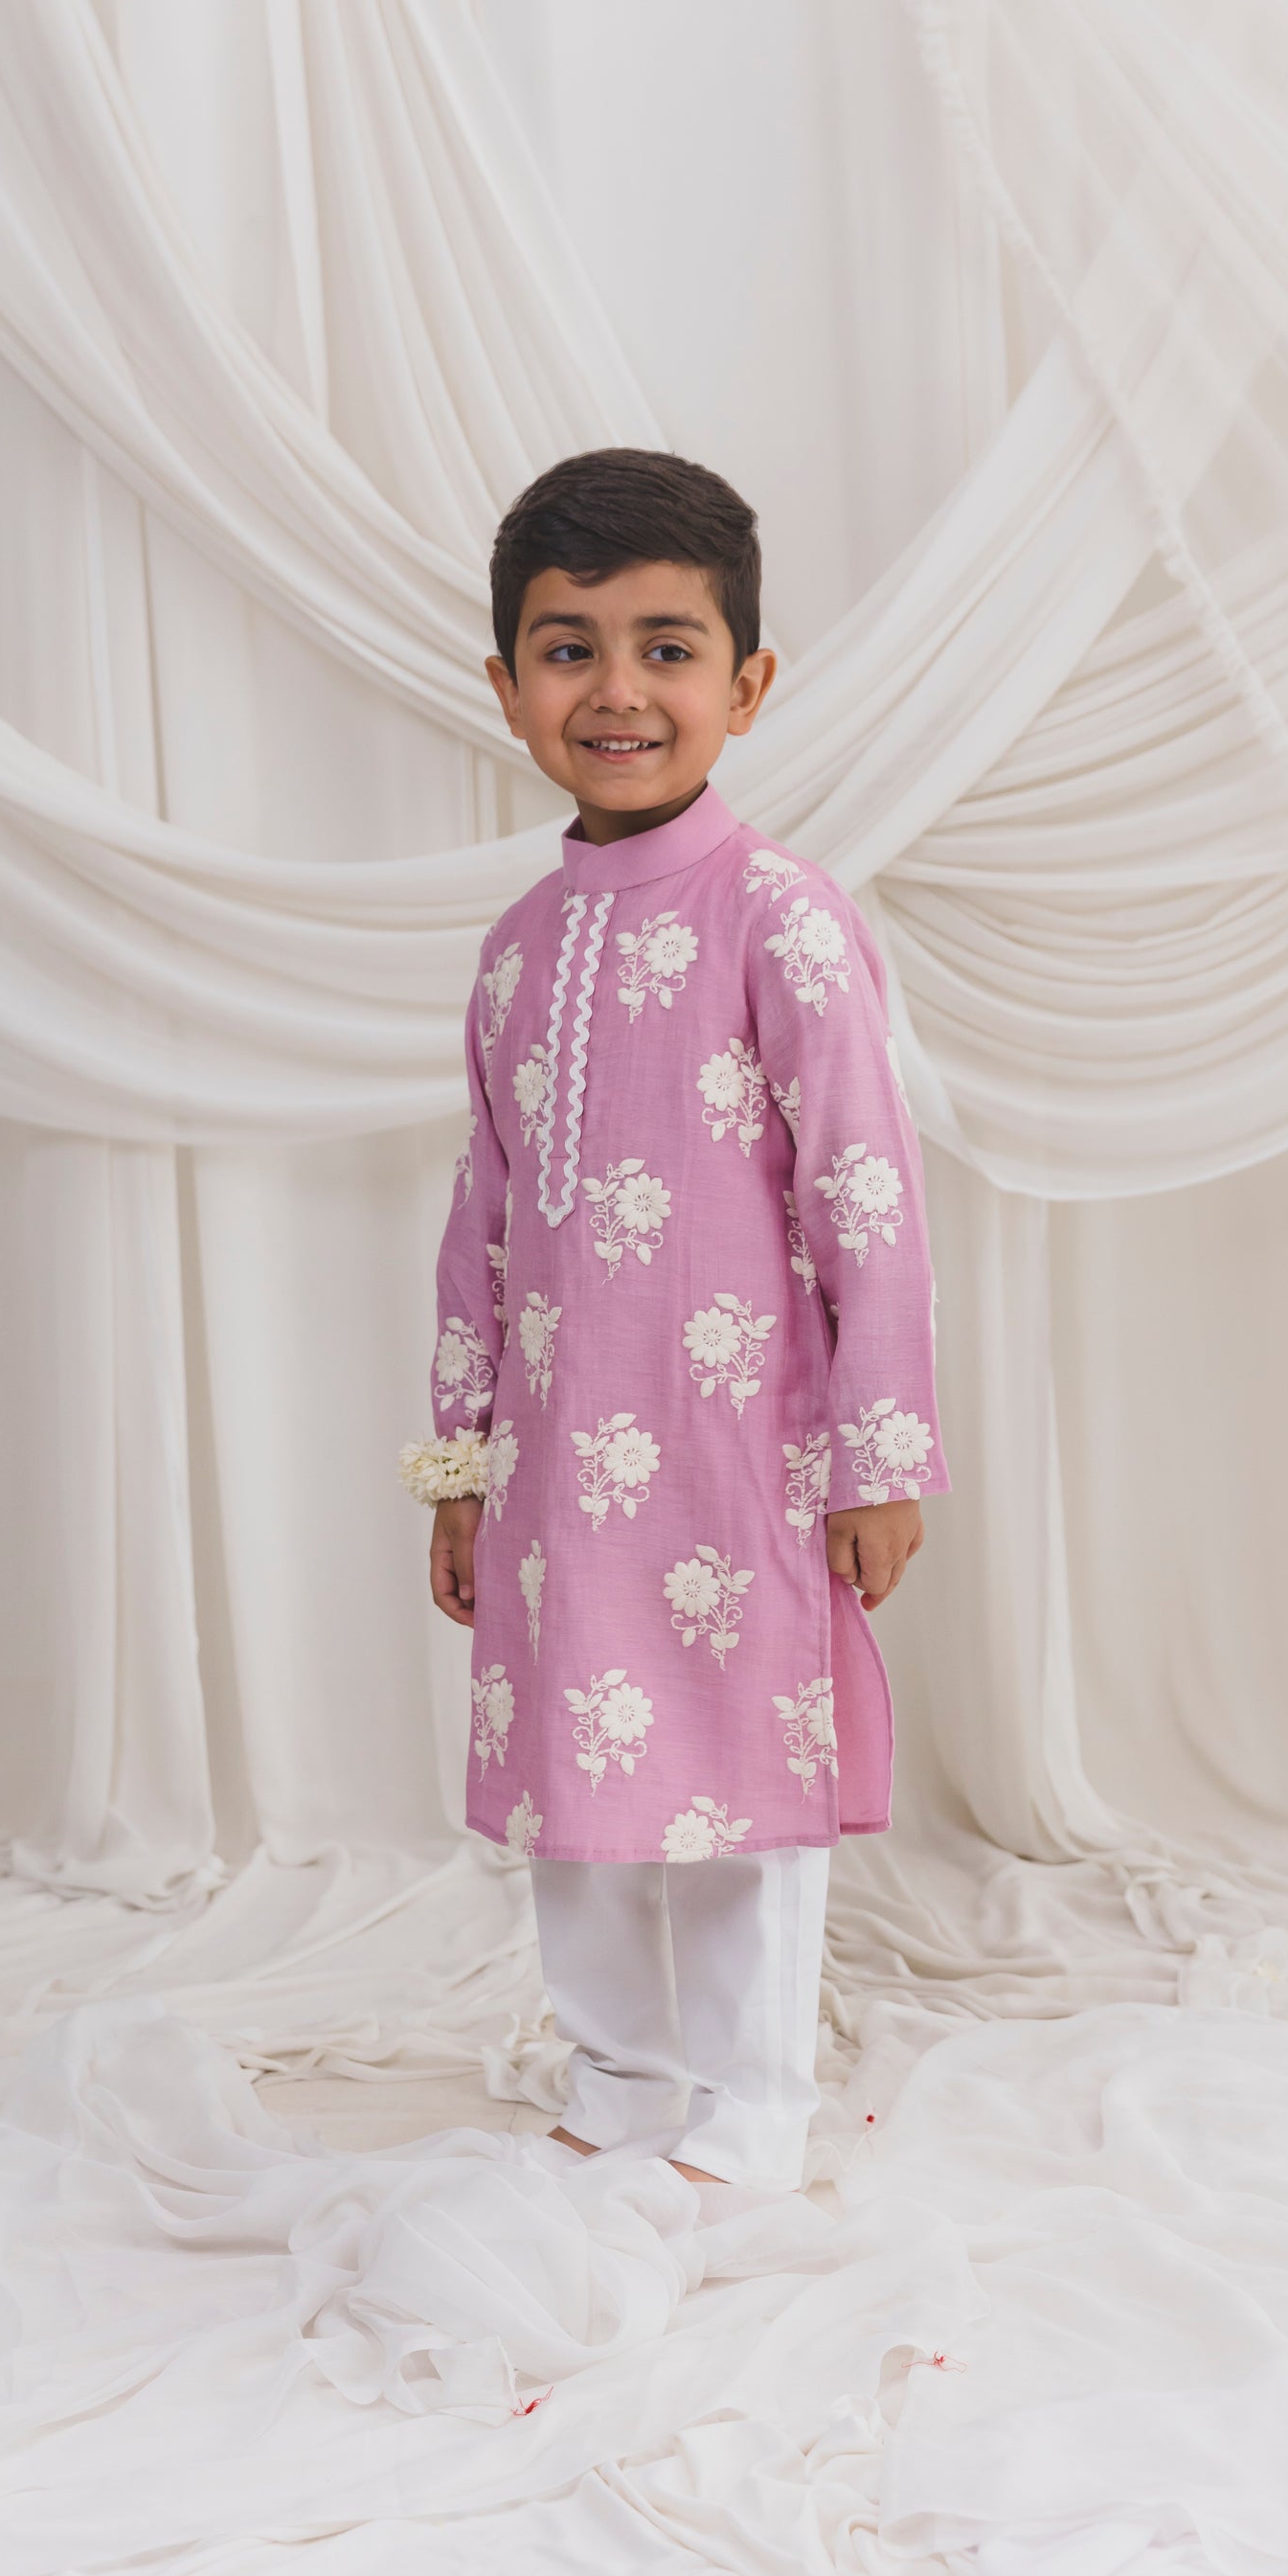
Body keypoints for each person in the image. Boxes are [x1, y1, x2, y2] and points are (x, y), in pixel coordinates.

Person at [399, 447, 947, 2192]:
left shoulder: (780, 918)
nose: (616, 691)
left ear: (747, 684)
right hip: (556, 1468)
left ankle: (753, 2108)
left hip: (737, 1454)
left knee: (737, 1781)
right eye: (568, 650)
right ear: (506, 685)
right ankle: (621, 2081)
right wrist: (459, 1471)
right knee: (572, 1781)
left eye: (665, 648)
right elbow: (482, 1224)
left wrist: (878, 1457)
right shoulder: (515, 948)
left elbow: (866, 1197)